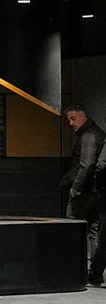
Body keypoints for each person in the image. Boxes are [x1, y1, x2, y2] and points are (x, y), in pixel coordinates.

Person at [62, 104, 106, 285]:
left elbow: (86, 164)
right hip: (97, 193)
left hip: (84, 192)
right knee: (95, 232)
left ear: (84, 117)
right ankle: (94, 273)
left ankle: (74, 271)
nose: (71, 124)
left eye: (73, 118)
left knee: (73, 228)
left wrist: (75, 189)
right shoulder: (99, 133)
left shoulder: (88, 136)